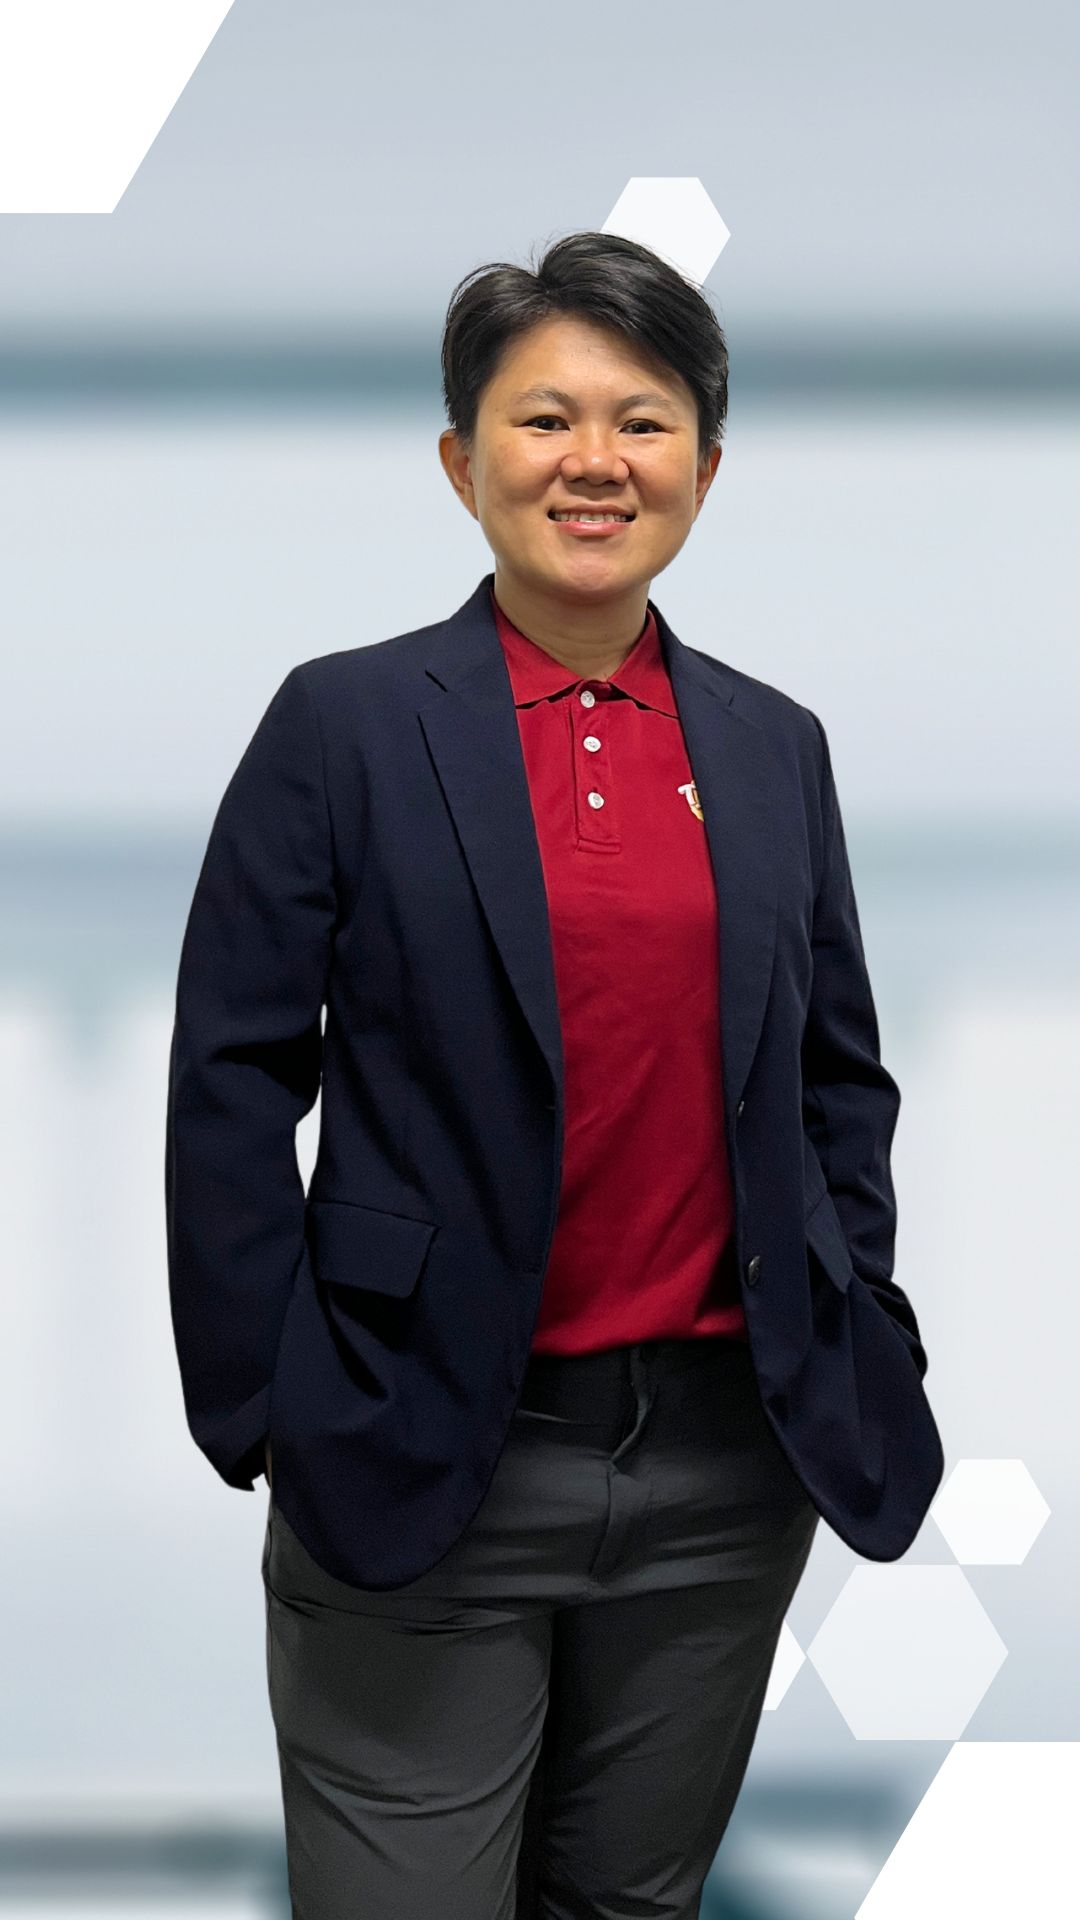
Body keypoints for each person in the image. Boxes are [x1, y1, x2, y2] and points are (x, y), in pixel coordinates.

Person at [165, 230, 944, 1919]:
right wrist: (270, 1402)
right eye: (545, 419)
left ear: (705, 471)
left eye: (644, 422)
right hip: (423, 1438)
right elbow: (231, 1072)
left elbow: (835, 1076)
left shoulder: (772, 744)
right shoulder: (345, 726)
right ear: (463, 464)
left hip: (722, 1471)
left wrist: (857, 1315)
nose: (596, 460)